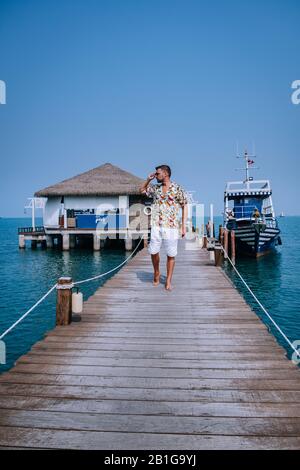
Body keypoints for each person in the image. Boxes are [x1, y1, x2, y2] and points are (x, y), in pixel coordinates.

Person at [140, 165, 188, 291]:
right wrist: (148, 179)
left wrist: (183, 226)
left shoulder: (177, 188)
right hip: (156, 224)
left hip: (171, 226)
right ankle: (156, 272)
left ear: (166, 173)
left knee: (171, 254)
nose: (156, 175)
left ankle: (168, 281)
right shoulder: (155, 188)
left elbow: (184, 206)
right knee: (153, 251)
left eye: (158, 173)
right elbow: (141, 190)